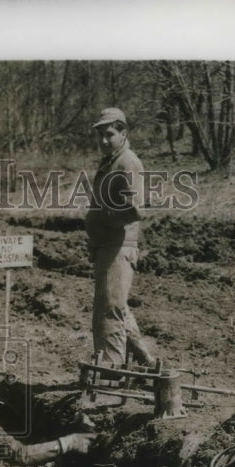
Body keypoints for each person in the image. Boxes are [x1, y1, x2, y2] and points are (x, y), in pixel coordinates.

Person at [87, 107, 156, 368]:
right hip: (107, 244)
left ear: (123, 133)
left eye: (110, 134)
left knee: (110, 310)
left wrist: (104, 219)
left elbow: (135, 209)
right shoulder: (111, 161)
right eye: (100, 136)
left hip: (117, 245)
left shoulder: (127, 162)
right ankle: (146, 361)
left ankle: (110, 371)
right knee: (116, 305)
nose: (104, 141)